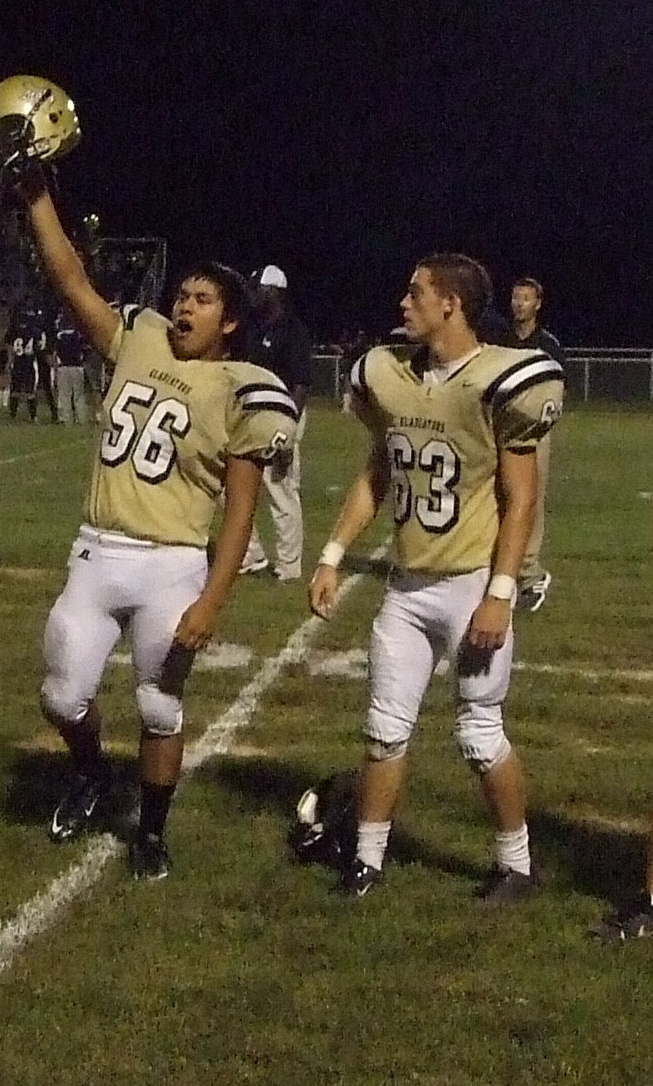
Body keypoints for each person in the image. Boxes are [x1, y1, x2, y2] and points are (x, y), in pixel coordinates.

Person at [0, 123, 299, 880]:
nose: (185, 307)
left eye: (202, 300)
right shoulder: (141, 338)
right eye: (183, 294)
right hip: (98, 550)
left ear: (230, 321)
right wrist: (37, 200)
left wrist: (214, 600)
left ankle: (151, 832)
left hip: (173, 565)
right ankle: (92, 771)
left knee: (160, 709)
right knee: (62, 697)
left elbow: (241, 510)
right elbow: (70, 280)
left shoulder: (243, 389)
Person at [309, 253, 564, 904]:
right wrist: (334, 553)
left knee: (479, 735)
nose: (403, 301)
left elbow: (522, 497)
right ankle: (367, 859)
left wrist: (500, 594)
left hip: (470, 584)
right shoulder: (388, 373)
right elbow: (376, 474)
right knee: (384, 728)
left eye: (417, 292)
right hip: (406, 586)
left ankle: (518, 866)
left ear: (451, 304)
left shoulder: (501, 379)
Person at [237, 265, 312, 582]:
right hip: (250, 415)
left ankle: (289, 566)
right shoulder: (253, 328)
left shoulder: (292, 331)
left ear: (274, 291)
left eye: (258, 289)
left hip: (281, 416)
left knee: (280, 490)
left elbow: (301, 384)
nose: (252, 295)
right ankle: (251, 555)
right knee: (236, 488)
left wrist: (288, 427)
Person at [503, 277, 566, 613]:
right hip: (498, 430)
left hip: (533, 433)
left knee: (529, 501)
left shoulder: (548, 344)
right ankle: (501, 568)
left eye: (526, 298)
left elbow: (558, 391)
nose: (519, 304)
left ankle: (530, 574)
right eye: (516, 297)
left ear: (537, 304)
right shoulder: (499, 340)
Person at [53, 307, 89, 424]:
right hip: (77, 367)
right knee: (79, 395)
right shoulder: (78, 335)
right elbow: (84, 349)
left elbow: (56, 352)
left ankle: (67, 419)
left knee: (65, 395)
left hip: (64, 367)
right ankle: (81, 418)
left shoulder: (59, 336)